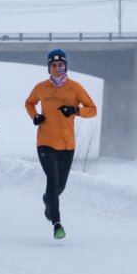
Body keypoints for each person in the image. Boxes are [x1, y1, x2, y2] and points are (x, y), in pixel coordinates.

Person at [24, 49, 96, 239]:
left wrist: (75, 110)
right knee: (52, 180)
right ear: (48, 68)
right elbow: (29, 103)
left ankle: (49, 201)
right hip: (45, 142)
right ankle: (57, 223)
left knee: (59, 187)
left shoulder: (75, 87)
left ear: (65, 67)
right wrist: (35, 117)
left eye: (60, 65)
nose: (57, 69)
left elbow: (92, 109)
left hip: (67, 145)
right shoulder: (41, 87)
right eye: (53, 65)